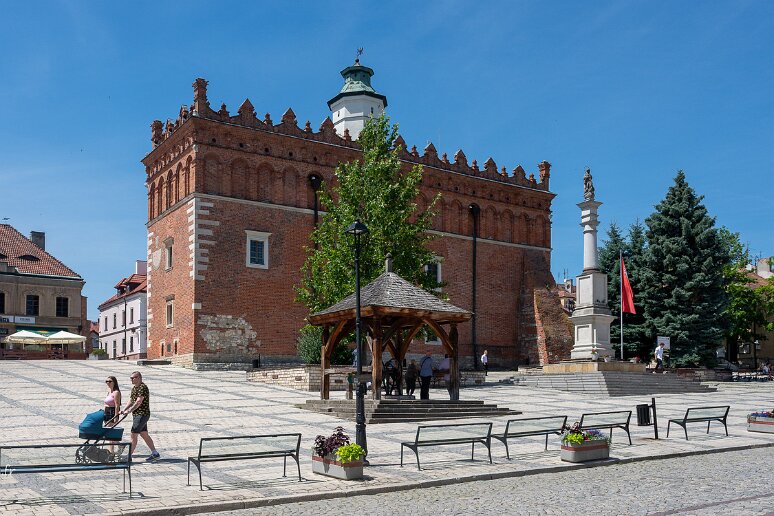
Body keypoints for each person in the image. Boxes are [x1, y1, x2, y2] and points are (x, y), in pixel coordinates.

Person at [120, 371, 160, 461]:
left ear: (138, 378)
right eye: (130, 378)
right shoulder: (134, 388)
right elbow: (131, 400)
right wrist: (124, 409)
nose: (131, 380)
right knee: (144, 434)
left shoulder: (143, 387)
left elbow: (138, 401)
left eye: (132, 378)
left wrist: (129, 411)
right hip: (137, 415)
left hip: (142, 415)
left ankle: (129, 456)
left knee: (133, 435)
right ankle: (155, 453)